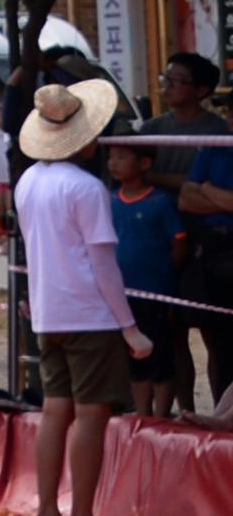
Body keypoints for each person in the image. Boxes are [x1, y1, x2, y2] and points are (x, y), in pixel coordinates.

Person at [11, 75, 155, 516]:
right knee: (91, 414)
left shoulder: (29, 180)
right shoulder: (87, 190)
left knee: (56, 410)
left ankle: (49, 512)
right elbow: (103, 265)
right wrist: (129, 327)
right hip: (88, 315)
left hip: (50, 312)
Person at [145, 52, 233, 410]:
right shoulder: (150, 130)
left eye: (178, 79)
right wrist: (204, 192)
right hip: (161, 241)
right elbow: (187, 195)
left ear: (200, 89)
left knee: (216, 333)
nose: (169, 85)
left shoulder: (216, 133)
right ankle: (185, 410)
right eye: (166, 77)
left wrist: (195, 190)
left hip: (210, 243)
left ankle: (219, 410)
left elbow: (191, 188)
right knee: (171, 330)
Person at [109, 139, 186, 420]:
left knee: (160, 354)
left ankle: (162, 416)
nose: (113, 163)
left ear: (144, 163)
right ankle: (142, 415)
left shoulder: (160, 202)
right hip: (122, 295)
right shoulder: (110, 200)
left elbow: (178, 243)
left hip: (156, 293)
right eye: (112, 157)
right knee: (134, 356)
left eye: (121, 157)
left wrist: (165, 277)